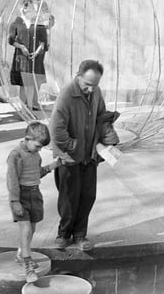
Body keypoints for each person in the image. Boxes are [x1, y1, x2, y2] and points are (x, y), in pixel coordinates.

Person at [49, 60, 107, 251]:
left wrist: (107, 142)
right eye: (87, 85)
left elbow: (102, 118)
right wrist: (72, 146)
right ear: (78, 75)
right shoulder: (66, 95)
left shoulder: (96, 93)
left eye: (95, 85)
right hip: (69, 157)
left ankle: (80, 235)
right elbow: (56, 129)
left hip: (89, 156)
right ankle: (64, 234)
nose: (91, 89)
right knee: (68, 197)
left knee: (88, 196)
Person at [6, 122, 62, 283]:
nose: (39, 150)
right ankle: (28, 264)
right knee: (25, 228)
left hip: (35, 194)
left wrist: (53, 165)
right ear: (27, 139)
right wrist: (15, 200)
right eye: (37, 146)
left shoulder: (35, 155)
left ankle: (20, 253)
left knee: (32, 228)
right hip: (20, 195)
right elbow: (12, 180)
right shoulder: (15, 155)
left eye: (41, 148)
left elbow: (37, 174)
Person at [8, 0, 47, 111]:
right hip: (22, 58)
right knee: (24, 84)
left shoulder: (37, 22)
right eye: (23, 7)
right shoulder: (16, 22)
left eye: (27, 7)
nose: (24, 10)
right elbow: (11, 40)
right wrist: (21, 46)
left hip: (36, 57)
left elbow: (43, 41)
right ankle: (24, 109)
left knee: (35, 82)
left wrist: (37, 52)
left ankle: (33, 105)